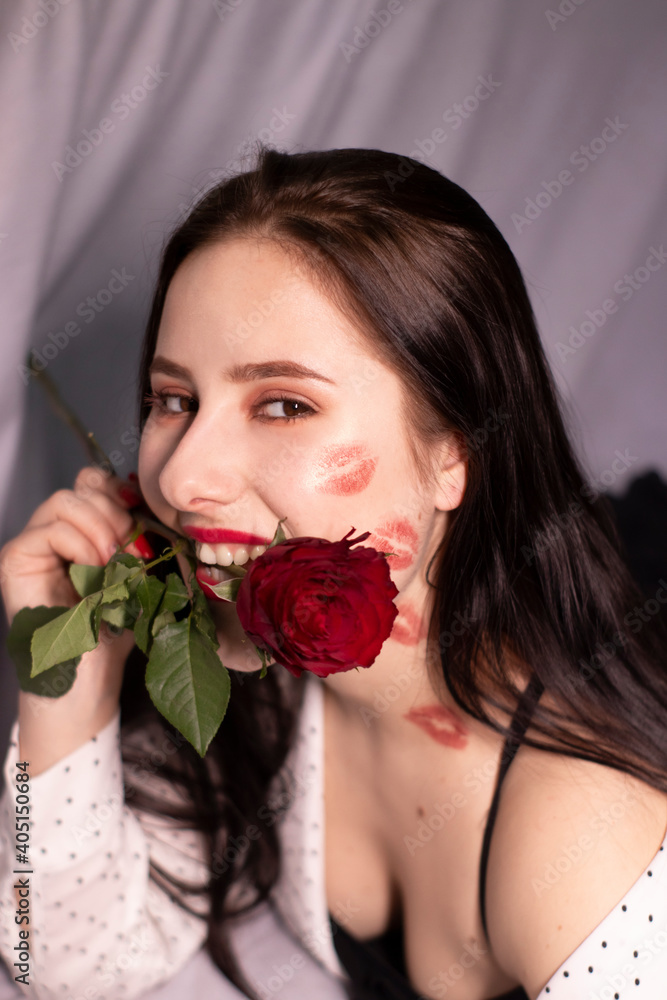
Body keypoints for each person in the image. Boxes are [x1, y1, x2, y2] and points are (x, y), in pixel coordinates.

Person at [1, 145, 667, 1000]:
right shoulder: (250, 685)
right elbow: (45, 955)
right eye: (174, 400)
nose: (179, 479)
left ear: (452, 452)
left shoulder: (585, 848)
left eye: (283, 404)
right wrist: (65, 692)